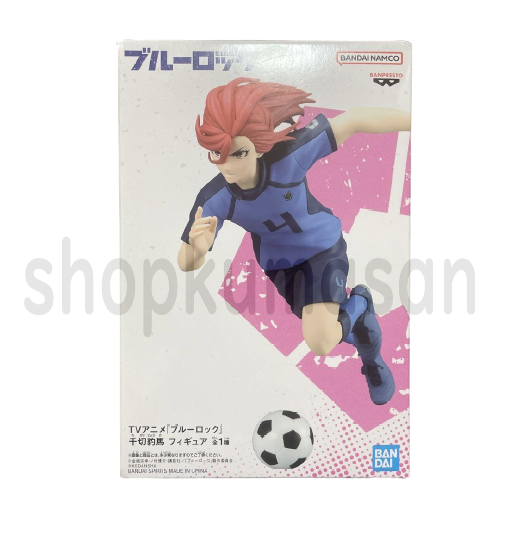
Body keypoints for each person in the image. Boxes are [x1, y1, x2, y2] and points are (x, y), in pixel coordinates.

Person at [178, 77, 411, 405]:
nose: (227, 165)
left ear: (259, 146)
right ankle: (358, 321)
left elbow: (356, 119)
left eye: (239, 153)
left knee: (321, 341)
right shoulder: (214, 197)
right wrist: (198, 251)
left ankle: (362, 315)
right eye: (217, 153)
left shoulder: (289, 155)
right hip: (280, 267)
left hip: (321, 248)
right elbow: (185, 261)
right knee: (327, 329)